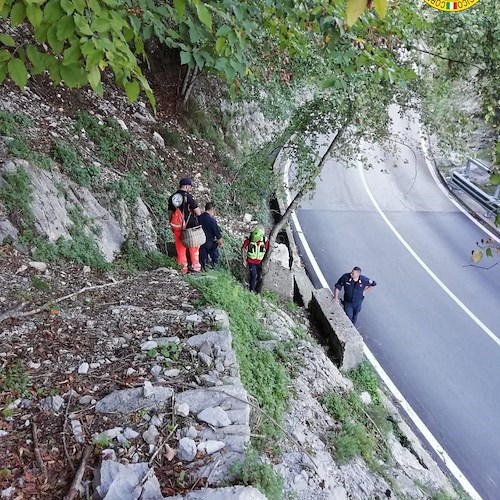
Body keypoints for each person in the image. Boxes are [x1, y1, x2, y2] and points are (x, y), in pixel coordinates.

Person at [168, 178, 202, 274]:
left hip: (177, 226)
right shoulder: (189, 197)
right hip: (189, 226)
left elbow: (170, 213)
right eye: (190, 186)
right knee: (193, 247)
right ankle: (195, 267)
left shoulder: (172, 197)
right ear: (187, 186)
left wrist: (172, 224)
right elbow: (197, 212)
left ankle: (183, 269)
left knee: (180, 248)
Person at [241, 227, 269, 292]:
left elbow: (267, 250)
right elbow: (243, 248)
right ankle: (251, 290)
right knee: (253, 275)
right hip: (251, 261)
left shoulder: (265, 240)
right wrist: (243, 259)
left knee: (260, 276)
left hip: (260, 262)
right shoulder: (249, 239)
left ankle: (257, 290)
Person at [199, 202, 223, 270]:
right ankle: (215, 271)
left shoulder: (199, 218)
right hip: (210, 242)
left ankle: (204, 270)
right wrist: (220, 242)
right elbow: (217, 233)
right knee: (215, 257)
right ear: (212, 209)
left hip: (200, 242)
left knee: (203, 260)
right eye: (214, 210)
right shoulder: (212, 220)